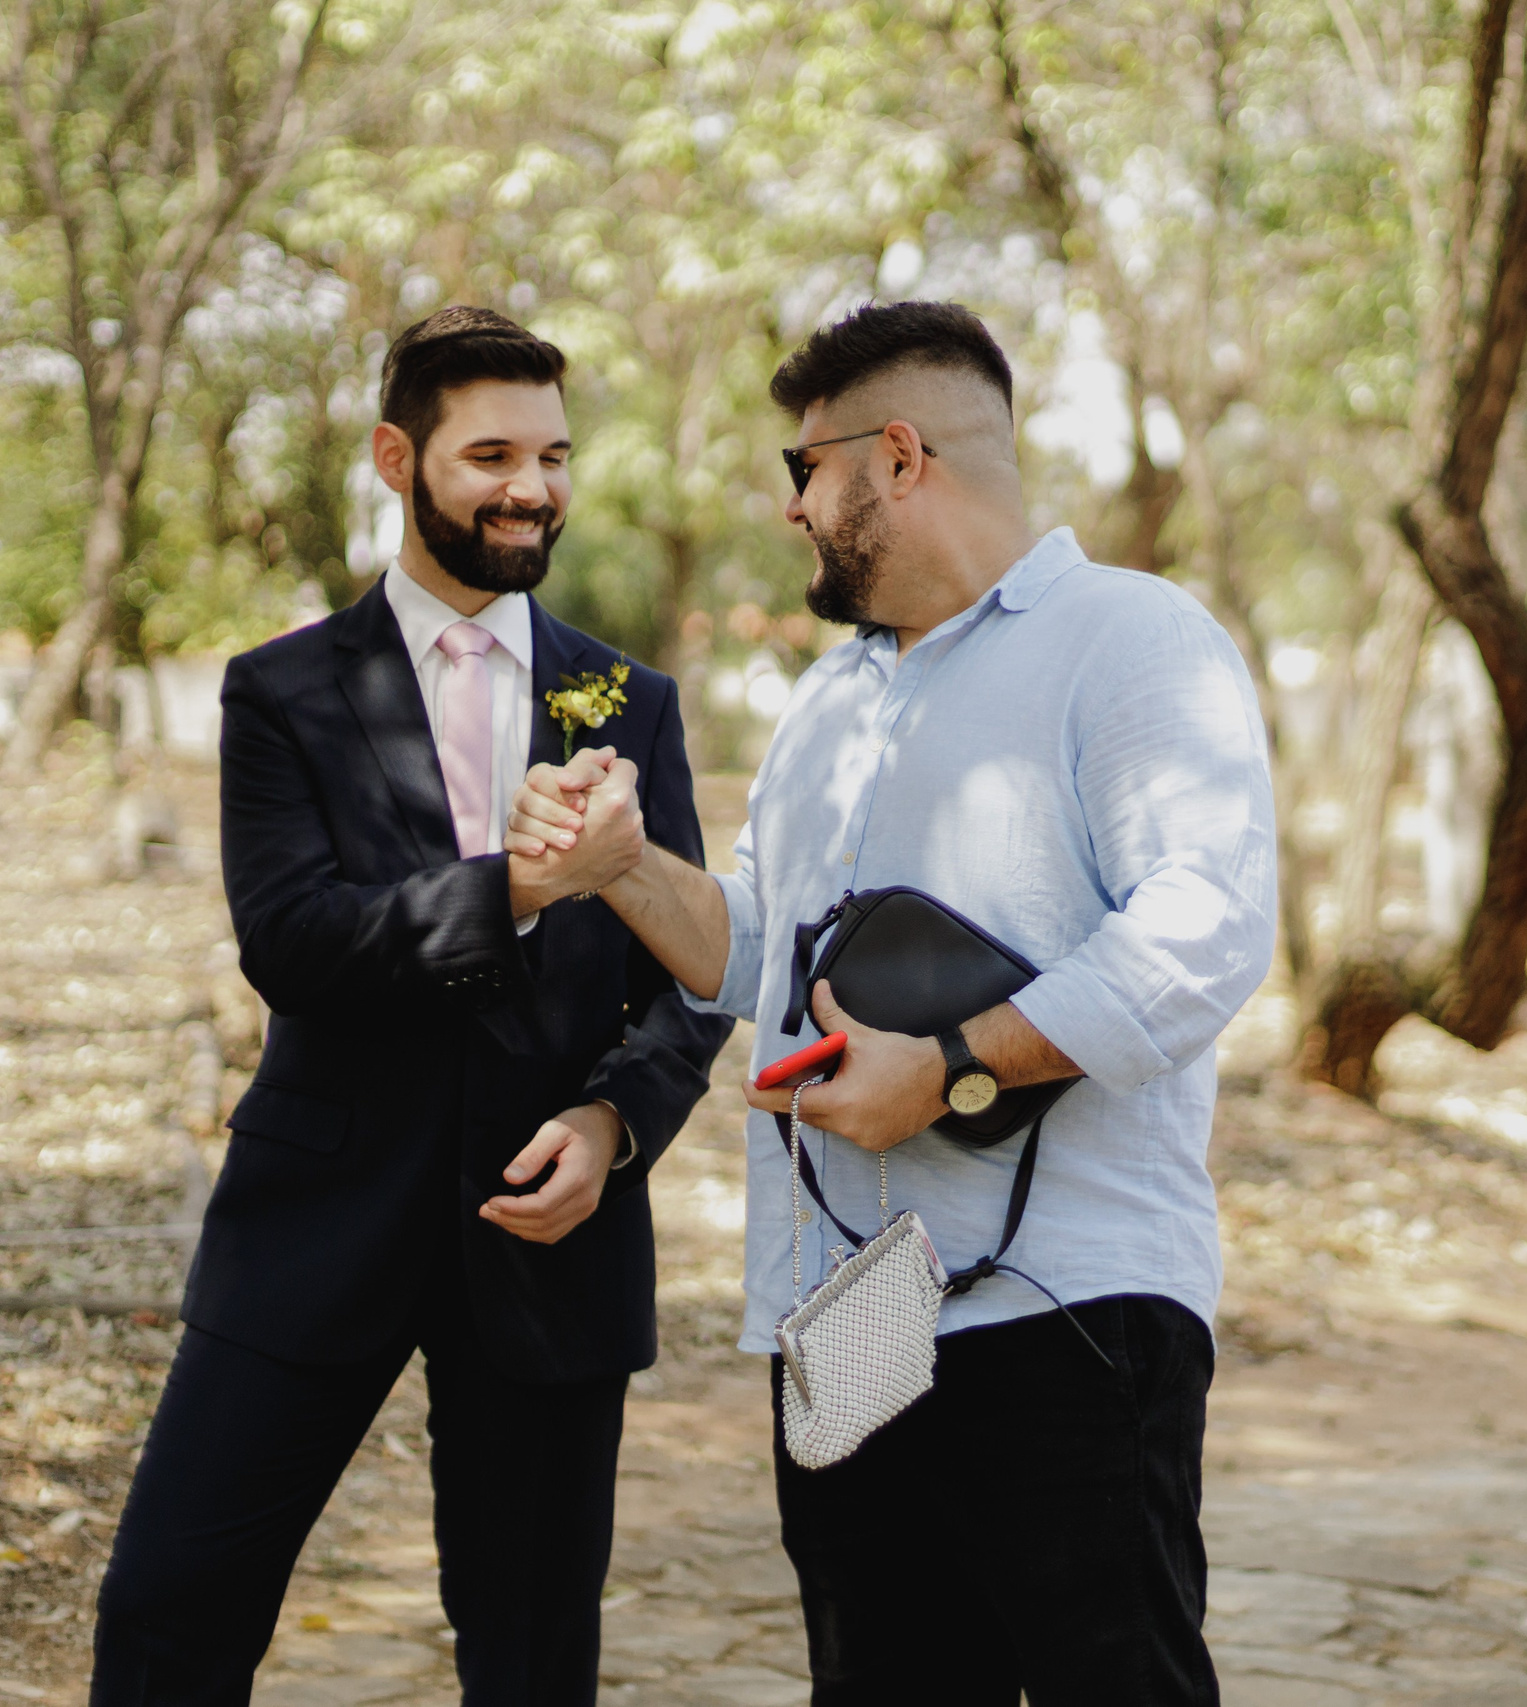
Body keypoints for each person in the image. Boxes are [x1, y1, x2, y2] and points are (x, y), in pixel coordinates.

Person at [506, 299, 1276, 1705]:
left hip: (1065, 1308)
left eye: (807, 469)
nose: (793, 507)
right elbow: (756, 952)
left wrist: (952, 1068)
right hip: (846, 1322)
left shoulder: (1132, 637)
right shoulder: (829, 703)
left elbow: (1203, 932)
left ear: (900, 458)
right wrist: (622, 868)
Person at [91, 307, 733, 1706]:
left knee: (533, 1659)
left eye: (553, 457)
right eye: (492, 455)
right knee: (165, 1617)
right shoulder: (282, 693)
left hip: (549, 1239)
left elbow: (694, 978)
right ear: (398, 458)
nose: (532, 489)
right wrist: (522, 887)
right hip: (316, 1220)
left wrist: (616, 1126)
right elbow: (293, 945)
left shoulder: (630, 700)